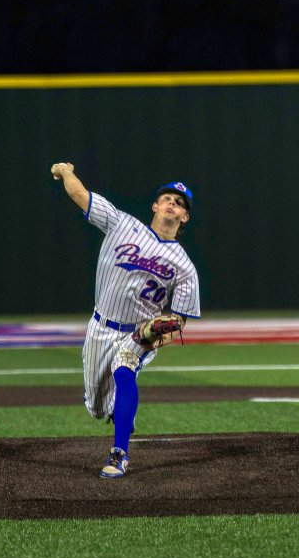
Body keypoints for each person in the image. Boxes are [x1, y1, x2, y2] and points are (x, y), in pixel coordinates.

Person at [50, 162, 201, 478]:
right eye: (167, 199)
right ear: (155, 206)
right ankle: (120, 413)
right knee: (96, 409)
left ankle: (119, 454)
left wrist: (157, 336)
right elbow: (80, 195)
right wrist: (65, 171)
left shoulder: (185, 267)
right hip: (100, 327)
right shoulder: (121, 223)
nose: (172, 204)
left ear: (184, 217)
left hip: (138, 334)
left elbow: (179, 320)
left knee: (124, 368)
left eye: (179, 203)